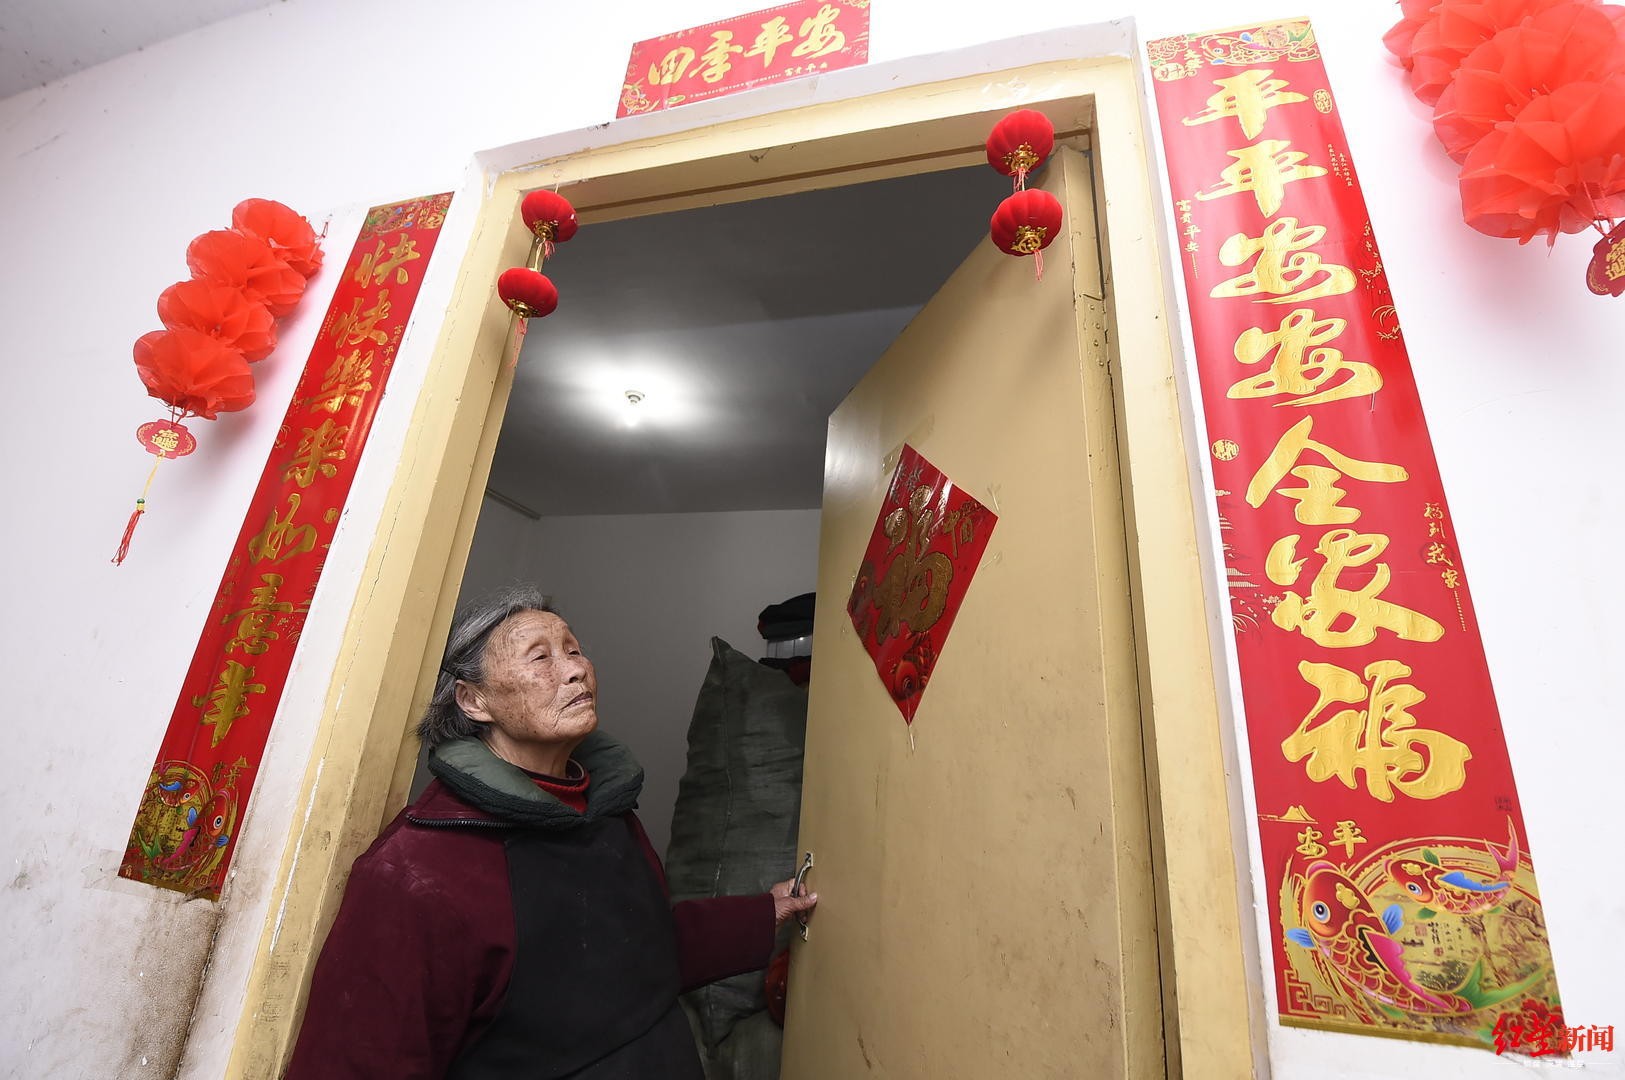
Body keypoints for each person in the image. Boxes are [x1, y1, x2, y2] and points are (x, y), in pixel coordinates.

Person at [287, 586, 818, 1078]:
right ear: (473, 701)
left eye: (574, 649)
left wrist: (764, 911)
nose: (576, 670)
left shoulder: (606, 811)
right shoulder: (416, 872)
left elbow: (637, 952)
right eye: (540, 657)